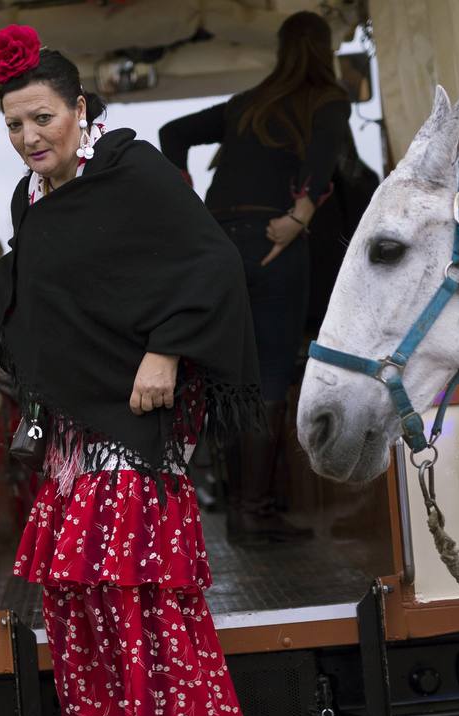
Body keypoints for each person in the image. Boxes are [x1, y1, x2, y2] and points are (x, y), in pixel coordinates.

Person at [0, 24, 263, 716]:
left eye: (43, 117)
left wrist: (166, 350)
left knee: (138, 569)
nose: (29, 136)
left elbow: (209, 261)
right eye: (13, 124)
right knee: (74, 580)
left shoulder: (133, 169)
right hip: (76, 411)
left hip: (143, 397)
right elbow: (26, 280)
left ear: (78, 108)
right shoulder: (32, 196)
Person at [159, 11, 353, 542]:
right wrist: (298, 219)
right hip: (273, 237)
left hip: (218, 242)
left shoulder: (251, 102)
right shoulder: (328, 99)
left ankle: (236, 506)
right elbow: (323, 156)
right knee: (270, 375)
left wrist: (186, 195)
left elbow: (173, 133)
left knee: (231, 376)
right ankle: (255, 511)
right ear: (324, 49)